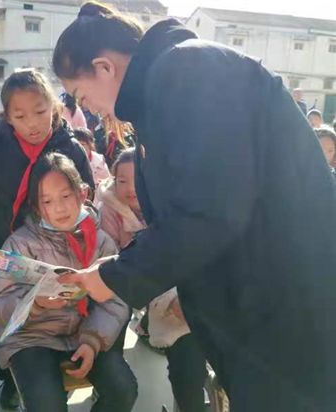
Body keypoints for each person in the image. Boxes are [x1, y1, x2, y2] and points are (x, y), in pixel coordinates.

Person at [52, 3, 336, 411]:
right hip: (262, 308)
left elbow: (208, 209)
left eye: (82, 95)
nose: (88, 108)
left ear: (104, 67)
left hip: (290, 308)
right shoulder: (165, 90)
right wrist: (116, 268)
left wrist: (117, 275)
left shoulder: (187, 71)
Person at [0, 69, 94, 410]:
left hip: (60, 256)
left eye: (40, 112)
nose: (32, 123)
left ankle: (48, 376)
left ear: (53, 107)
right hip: (7, 255)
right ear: (7, 117)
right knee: (12, 319)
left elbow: (87, 204)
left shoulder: (70, 149)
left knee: (58, 315)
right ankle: (11, 376)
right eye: (20, 116)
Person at [0, 152, 137, 412]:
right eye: (47, 201)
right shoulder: (18, 245)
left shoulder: (101, 242)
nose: (59, 208)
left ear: (82, 194)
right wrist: (35, 303)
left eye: (66, 196)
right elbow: (0, 306)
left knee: (123, 390)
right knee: (47, 405)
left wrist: (92, 341)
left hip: (84, 332)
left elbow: (115, 299)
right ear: (36, 207)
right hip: (32, 339)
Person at [98, 148, 206, 411]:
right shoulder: (108, 210)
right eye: (122, 181)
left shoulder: (169, 204)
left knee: (189, 357)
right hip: (126, 283)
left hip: (175, 289)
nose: (130, 189)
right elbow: (109, 258)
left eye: (137, 180)